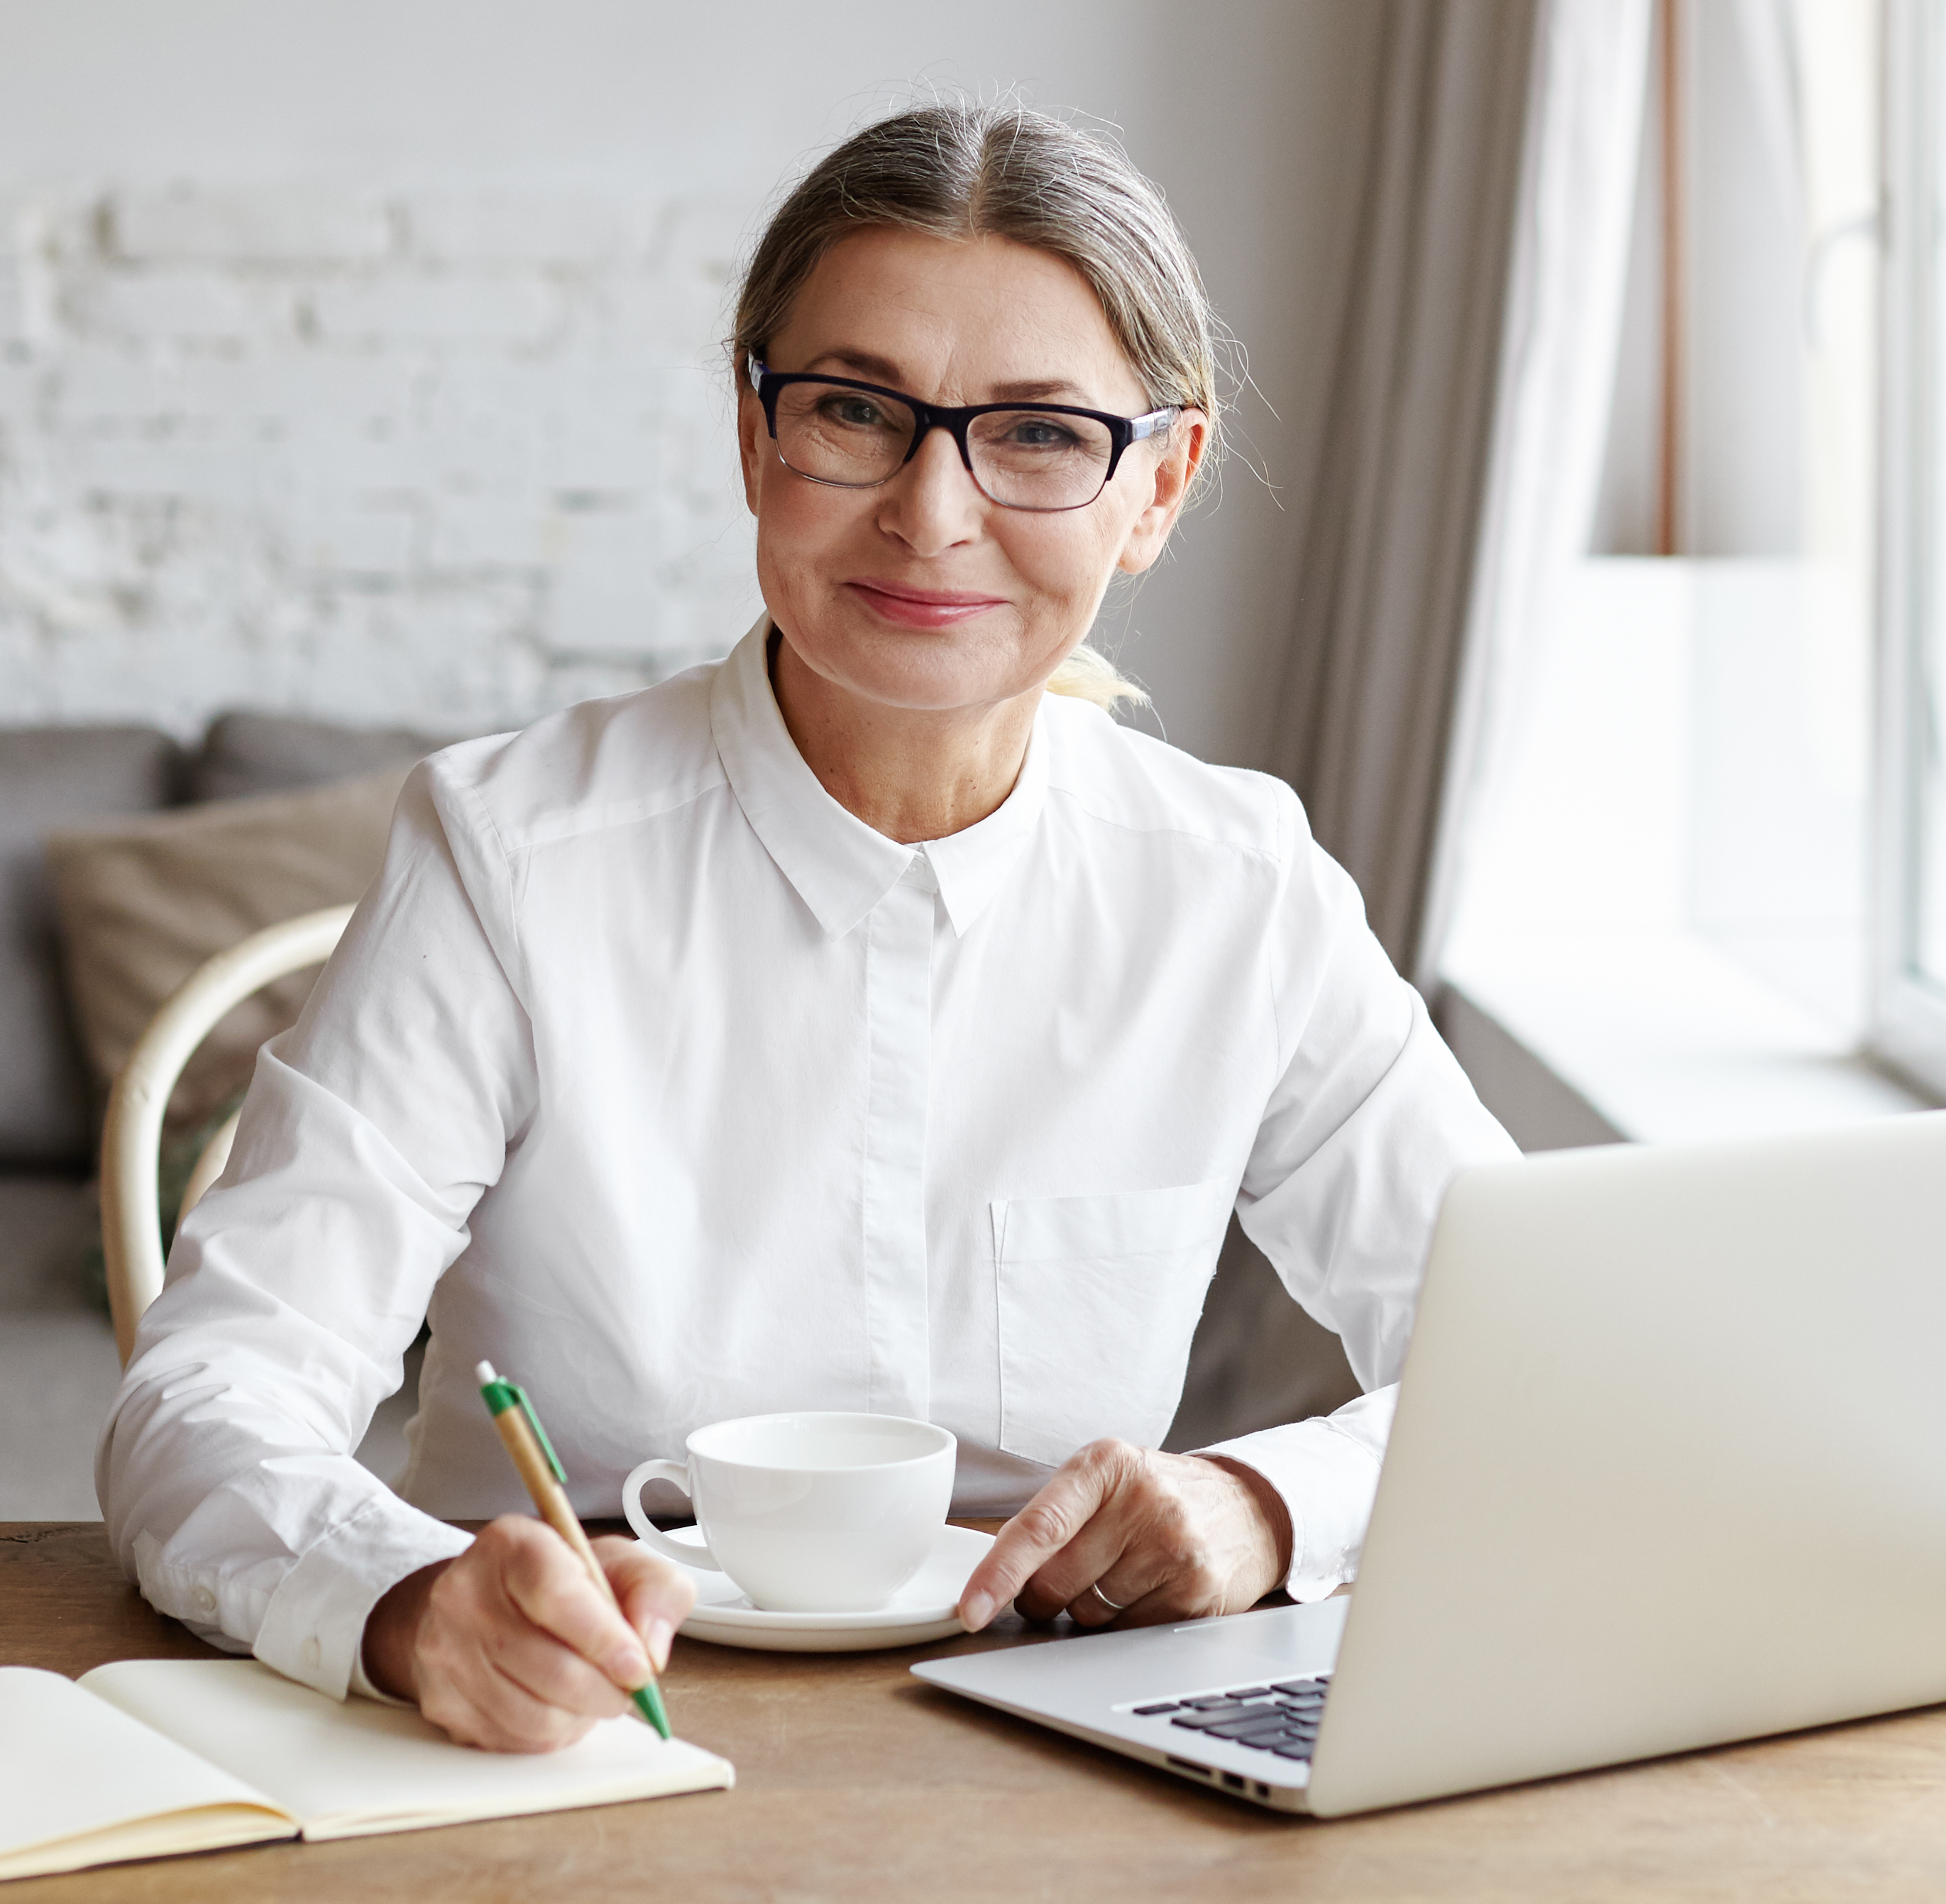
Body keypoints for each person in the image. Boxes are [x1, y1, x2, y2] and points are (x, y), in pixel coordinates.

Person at [99, 104, 1517, 1752]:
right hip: (583, 1741)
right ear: (755, 435)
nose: (931, 512)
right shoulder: (507, 854)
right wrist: (410, 1607)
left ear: (1159, 485)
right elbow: (205, 1397)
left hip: (1054, 1760)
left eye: (1041, 436)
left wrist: (1263, 1510)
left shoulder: (1235, 884)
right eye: (855, 410)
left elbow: (1541, 1357)